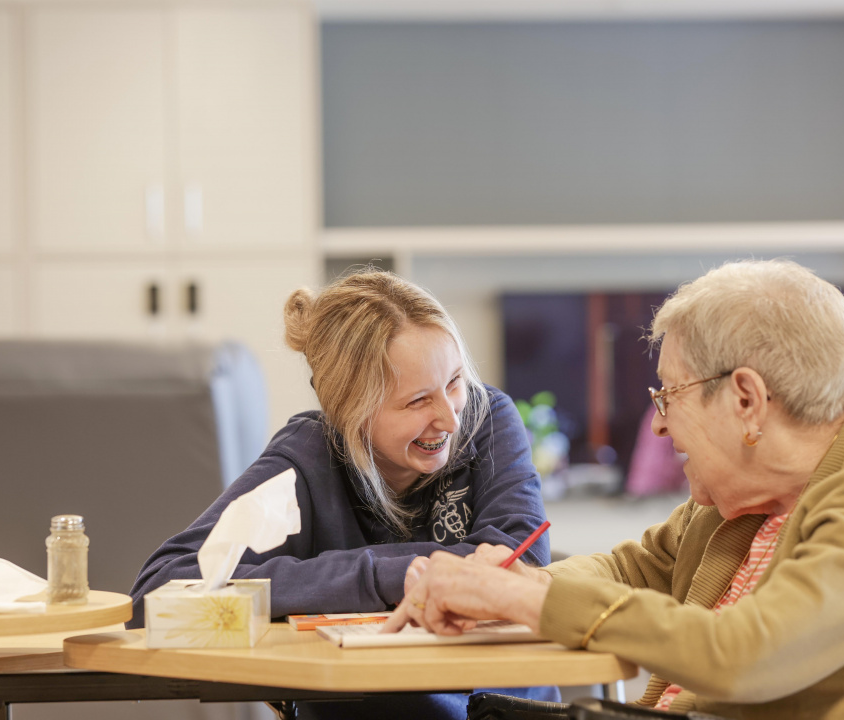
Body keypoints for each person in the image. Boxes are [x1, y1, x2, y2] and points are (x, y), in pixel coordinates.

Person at [385, 259, 844, 720]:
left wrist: (524, 598)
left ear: (746, 399)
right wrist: (506, 580)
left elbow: (749, 654)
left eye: (669, 394)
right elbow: (630, 570)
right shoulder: (739, 497)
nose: (658, 425)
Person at [129, 268, 559, 719]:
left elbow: (518, 563)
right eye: (417, 401)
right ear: (350, 410)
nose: (451, 420)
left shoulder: (487, 418)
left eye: (454, 383)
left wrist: (322, 582)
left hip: (505, 703)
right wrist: (384, 577)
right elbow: (158, 592)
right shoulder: (308, 455)